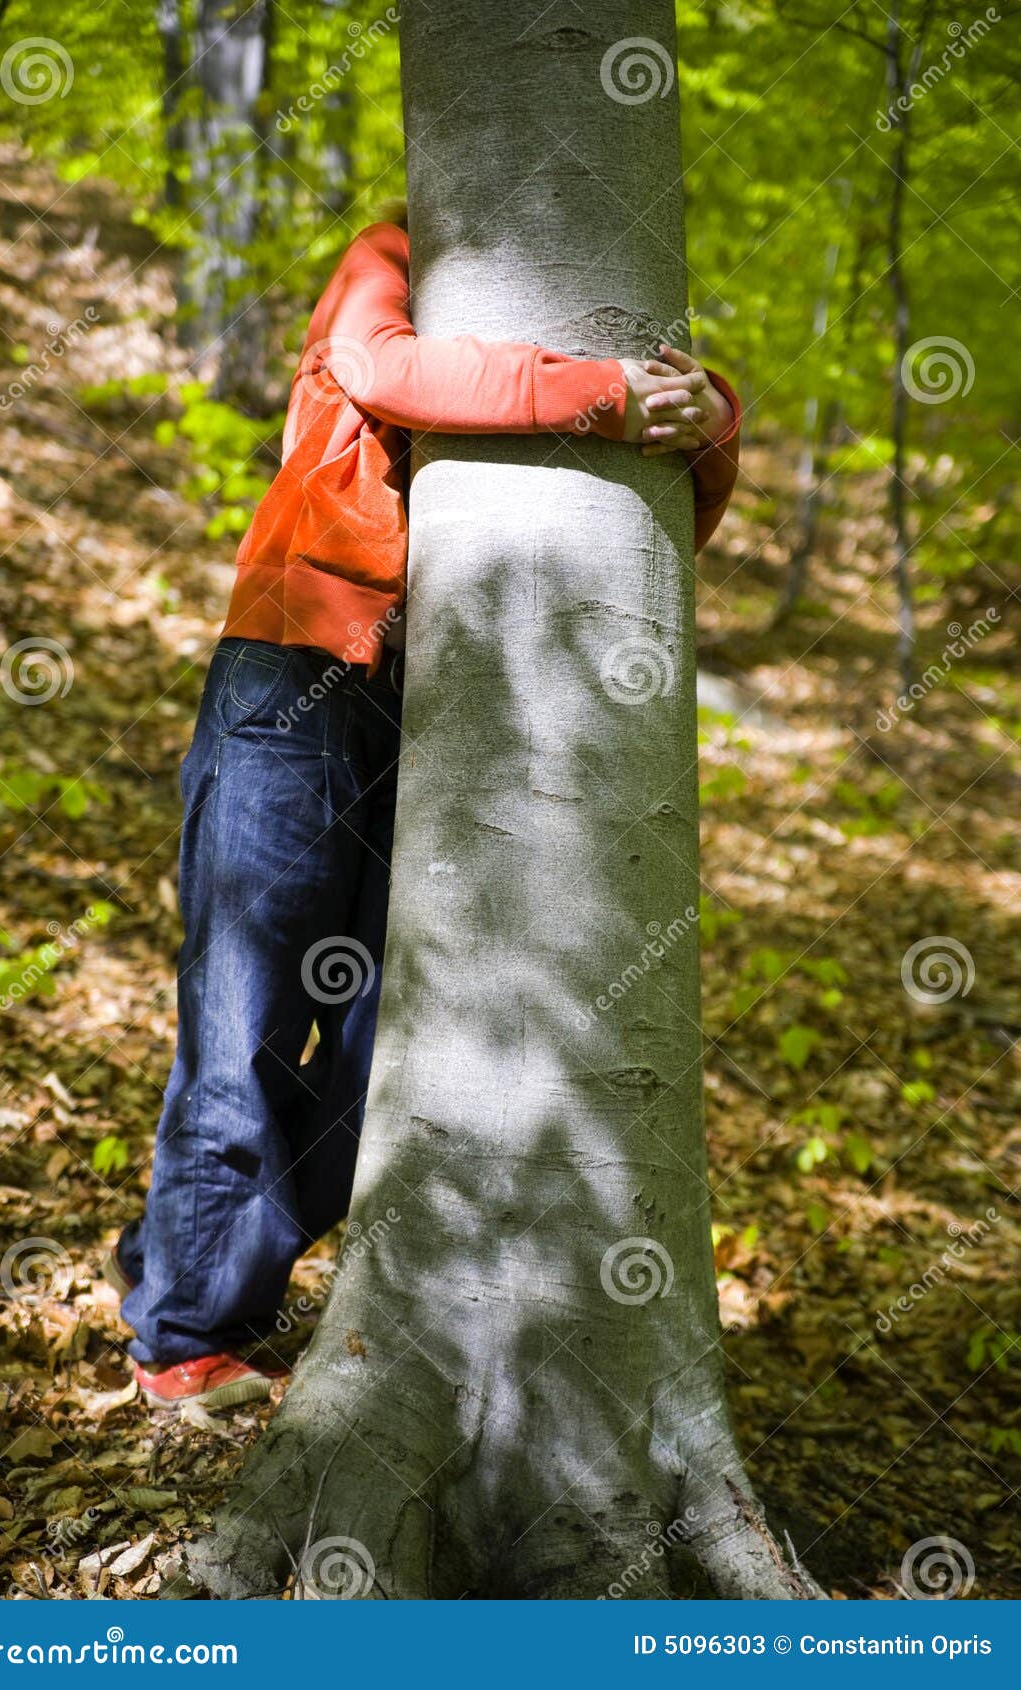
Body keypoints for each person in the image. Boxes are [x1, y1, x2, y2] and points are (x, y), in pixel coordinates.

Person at [108, 211, 743, 1409]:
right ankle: (185, 1335)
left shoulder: (579, 318)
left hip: (451, 717)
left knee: (386, 1055)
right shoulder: (391, 253)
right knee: (248, 1009)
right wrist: (604, 394)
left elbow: (664, 519)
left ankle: (178, 1256)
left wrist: (710, 412)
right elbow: (382, 368)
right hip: (293, 672)